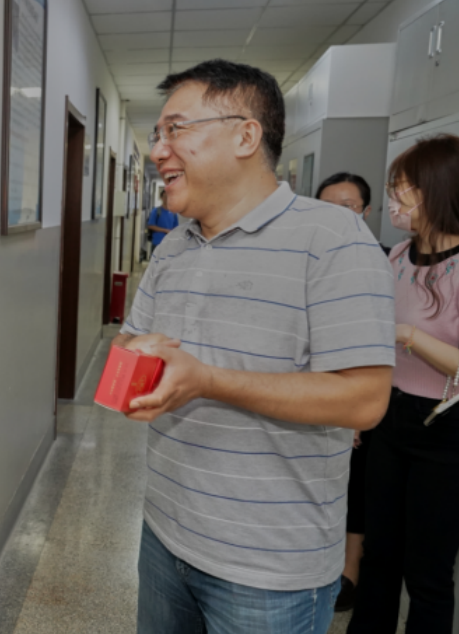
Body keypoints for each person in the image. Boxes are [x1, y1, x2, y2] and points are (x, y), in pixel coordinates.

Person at [117, 59, 395, 634]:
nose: (159, 150)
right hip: (164, 532)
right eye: (158, 133)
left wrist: (208, 380)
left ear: (246, 136)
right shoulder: (174, 247)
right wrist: (136, 362)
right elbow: (129, 343)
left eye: (177, 129)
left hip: (271, 568)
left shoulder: (333, 239)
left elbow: (364, 400)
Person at [348, 134, 459, 634]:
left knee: (428, 571)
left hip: (444, 427)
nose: (395, 198)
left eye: (404, 187)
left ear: (437, 189)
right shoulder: (396, 257)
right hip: (389, 417)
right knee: (380, 555)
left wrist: (409, 335)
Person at [314, 172, 376, 612]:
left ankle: (350, 567)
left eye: (347, 207)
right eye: (325, 207)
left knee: (359, 484)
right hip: (318, 394)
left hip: (364, 395)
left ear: (365, 212)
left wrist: (353, 410)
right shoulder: (307, 260)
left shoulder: (381, 262)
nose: (336, 217)